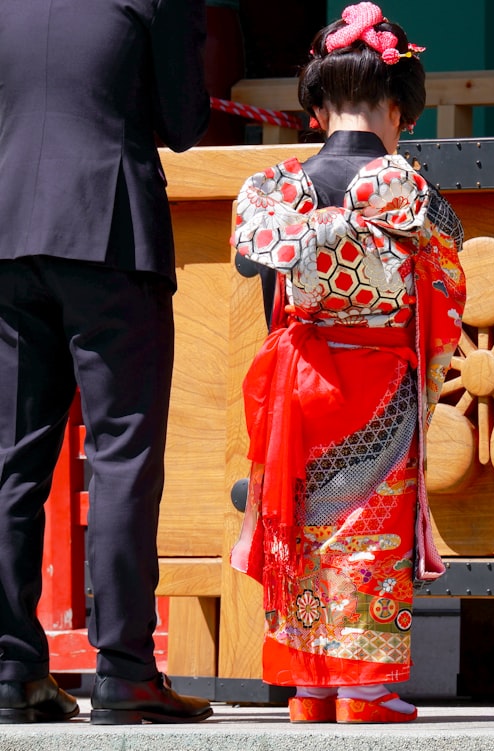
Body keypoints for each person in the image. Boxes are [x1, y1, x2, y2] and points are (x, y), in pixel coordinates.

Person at [229, 1, 466, 724]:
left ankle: (311, 687)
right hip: (381, 377)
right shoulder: (413, 194)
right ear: (398, 109)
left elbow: (256, 267)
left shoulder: (278, 190)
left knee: (299, 524)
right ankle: (366, 689)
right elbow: (448, 290)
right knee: (370, 529)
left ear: (319, 105)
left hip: (301, 379)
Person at [0, 0, 214, 725]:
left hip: (10, 231)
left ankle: (11, 667)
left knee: (12, 459)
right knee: (123, 452)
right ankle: (124, 669)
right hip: (110, 229)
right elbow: (185, 122)